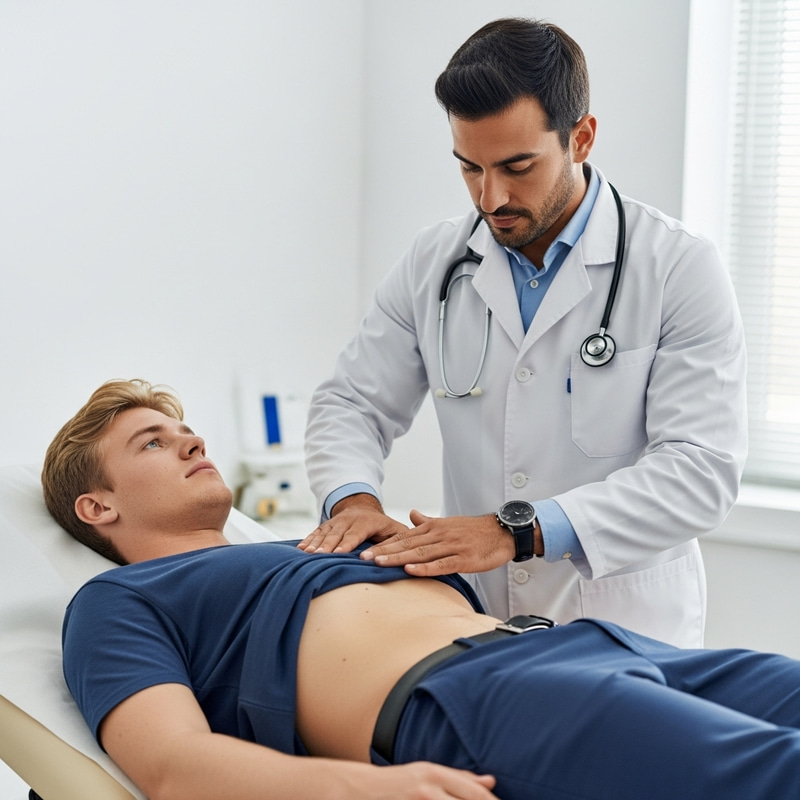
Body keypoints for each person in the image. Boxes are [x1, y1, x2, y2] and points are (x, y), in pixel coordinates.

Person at [43, 379, 800, 800]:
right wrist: (369, 791)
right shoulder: (118, 603)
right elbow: (174, 767)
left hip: (586, 645)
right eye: (153, 442)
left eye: (184, 432)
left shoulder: (308, 543)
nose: (193, 442)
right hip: (475, 701)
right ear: (97, 507)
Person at [301, 17, 747, 648]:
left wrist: (518, 531)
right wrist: (354, 505)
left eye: (518, 166)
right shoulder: (436, 263)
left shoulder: (675, 265)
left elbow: (700, 471)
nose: (491, 197)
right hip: (478, 624)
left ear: (581, 138)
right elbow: (351, 403)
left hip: (625, 626)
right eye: (469, 168)